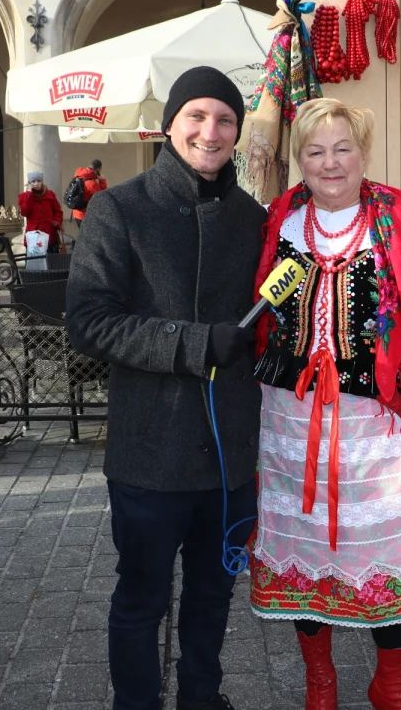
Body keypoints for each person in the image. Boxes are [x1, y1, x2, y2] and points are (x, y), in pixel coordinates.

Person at [248, 98, 401, 710]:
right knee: (304, 550)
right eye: (315, 151)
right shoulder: (277, 225)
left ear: (364, 154)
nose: (330, 162)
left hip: (376, 424)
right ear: (299, 161)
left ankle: (390, 683)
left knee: (396, 546)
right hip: (289, 425)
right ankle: (320, 680)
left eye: (343, 148)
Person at [66, 66, 264, 710]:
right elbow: (89, 322)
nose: (211, 131)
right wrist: (195, 344)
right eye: (197, 116)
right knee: (141, 599)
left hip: (229, 454)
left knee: (213, 593)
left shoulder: (253, 218)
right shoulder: (119, 207)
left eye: (225, 120)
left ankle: (201, 698)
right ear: (169, 124)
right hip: (151, 452)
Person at [17, 171, 63, 253]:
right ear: (29, 183)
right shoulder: (24, 196)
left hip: (49, 231)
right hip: (33, 233)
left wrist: (57, 220)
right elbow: (24, 212)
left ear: (42, 182)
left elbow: (58, 211)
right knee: (34, 257)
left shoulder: (50, 194)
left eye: (39, 181)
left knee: (50, 257)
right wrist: (29, 194)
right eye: (33, 181)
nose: (36, 184)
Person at [72, 158, 108, 226]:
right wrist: (102, 180)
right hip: (84, 214)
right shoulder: (91, 183)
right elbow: (102, 195)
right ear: (97, 169)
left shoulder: (79, 174)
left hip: (76, 212)